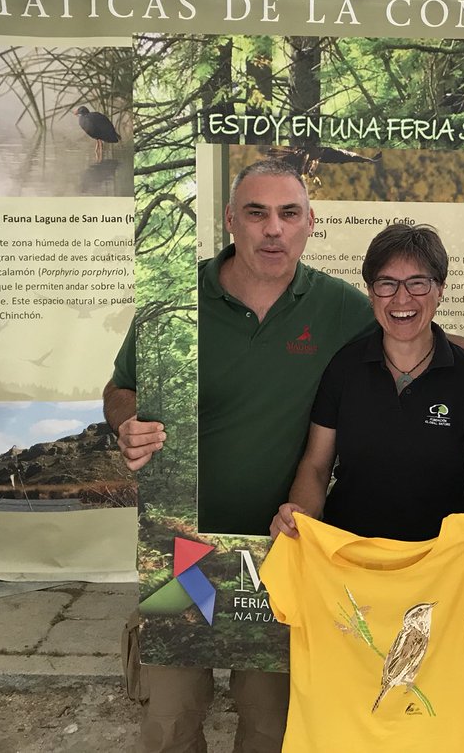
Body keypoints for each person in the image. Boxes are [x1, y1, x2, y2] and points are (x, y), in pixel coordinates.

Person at [104, 158, 375, 753]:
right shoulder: (174, 302)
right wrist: (128, 424)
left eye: (288, 214)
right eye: (256, 213)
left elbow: (420, 338)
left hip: (280, 553)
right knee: (170, 717)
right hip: (183, 548)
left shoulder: (342, 311)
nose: (272, 229)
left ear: (310, 224)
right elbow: (120, 388)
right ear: (231, 220)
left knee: (272, 721)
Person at [270, 223, 464, 555]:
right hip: (348, 555)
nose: (402, 298)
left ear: (440, 289)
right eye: (387, 283)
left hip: (439, 560)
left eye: (418, 283)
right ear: (370, 292)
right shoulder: (343, 367)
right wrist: (300, 516)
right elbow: (316, 466)